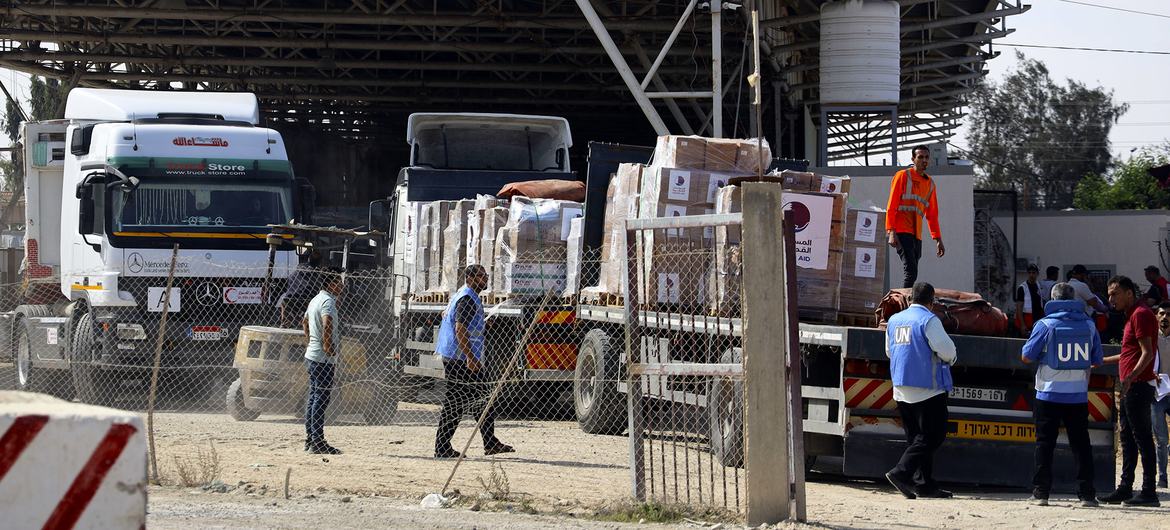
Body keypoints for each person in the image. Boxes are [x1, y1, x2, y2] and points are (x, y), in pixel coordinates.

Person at [1020, 282, 1104, 507]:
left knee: (1045, 444)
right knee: (1081, 445)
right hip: (1077, 395)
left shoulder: (1044, 325)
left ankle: (1041, 493)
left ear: (1053, 300)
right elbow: (1096, 360)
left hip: (1048, 395)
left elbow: (1027, 356)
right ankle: (1087, 495)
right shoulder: (1089, 325)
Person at [884, 282, 956, 499]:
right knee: (933, 435)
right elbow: (947, 351)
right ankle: (900, 473)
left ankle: (924, 484)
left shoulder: (894, 320)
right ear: (931, 301)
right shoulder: (929, 320)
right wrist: (951, 358)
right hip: (927, 387)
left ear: (910, 298)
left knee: (916, 438)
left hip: (901, 386)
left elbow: (889, 352)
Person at [434, 264, 514, 459]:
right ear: (469, 278)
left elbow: (449, 317)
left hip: (461, 357)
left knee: (482, 399)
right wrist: (470, 357)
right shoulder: (467, 299)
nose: (485, 280)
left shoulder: (465, 295)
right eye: (480, 276)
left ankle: (490, 441)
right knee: (456, 403)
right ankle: (442, 448)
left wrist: (483, 324)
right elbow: (460, 328)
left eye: (485, 276)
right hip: (461, 359)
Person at [1098, 275, 1160, 506]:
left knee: (1142, 438)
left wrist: (1131, 378)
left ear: (1129, 293)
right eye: (1109, 294)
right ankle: (1125, 488)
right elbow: (1128, 353)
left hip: (1137, 386)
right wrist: (1102, 361)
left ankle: (1149, 492)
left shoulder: (1141, 314)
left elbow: (1147, 353)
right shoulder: (1132, 315)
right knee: (1127, 438)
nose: (1110, 298)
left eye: (1114, 293)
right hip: (1130, 385)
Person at [886, 145, 944, 288]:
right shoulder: (902, 176)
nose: (924, 160)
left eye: (926, 157)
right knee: (911, 271)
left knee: (913, 272)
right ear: (913, 159)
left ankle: (906, 302)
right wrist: (891, 231)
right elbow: (891, 206)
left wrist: (938, 239)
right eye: (920, 157)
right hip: (901, 230)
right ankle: (904, 305)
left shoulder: (930, 184)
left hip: (916, 235)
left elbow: (932, 214)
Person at [302, 268, 345, 455]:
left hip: (312, 355)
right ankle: (318, 442)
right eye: (338, 281)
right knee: (321, 399)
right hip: (322, 359)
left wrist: (311, 340)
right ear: (330, 284)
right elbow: (327, 322)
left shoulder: (315, 299)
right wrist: (327, 346)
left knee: (313, 398)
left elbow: (304, 321)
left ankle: (310, 440)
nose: (342, 285)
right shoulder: (328, 301)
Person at [1151, 302, 1170, 488]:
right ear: (1157, 316)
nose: (1165, 317)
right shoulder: (1150, 339)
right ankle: (1163, 477)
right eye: (1162, 314)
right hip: (1157, 395)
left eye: (1168, 315)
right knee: (1161, 439)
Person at [1015, 264, 1045, 336]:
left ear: (1037, 274)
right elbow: (1019, 307)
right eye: (1029, 273)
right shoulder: (1022, 288)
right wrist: (1022, 325)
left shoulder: (1039, 285)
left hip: (1037, 319)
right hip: (1027, 319)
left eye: (1033, 273)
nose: (1031, 275)